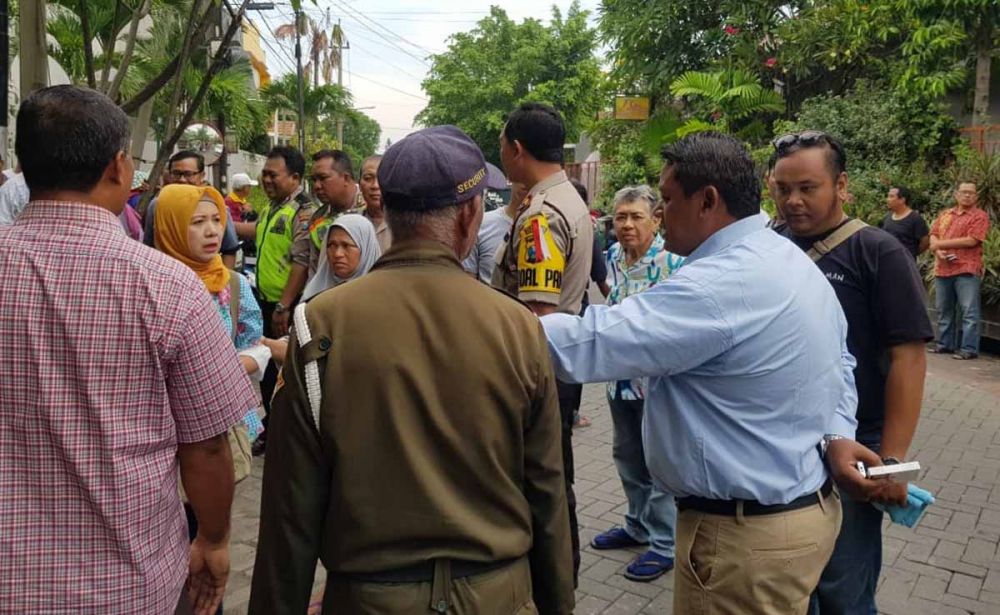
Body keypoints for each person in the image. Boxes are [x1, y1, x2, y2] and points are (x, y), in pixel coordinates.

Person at [540, 131, 900, 615]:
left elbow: (590, 343)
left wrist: (472, 314)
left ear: (707, 200)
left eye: (667, 200)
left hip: (741, 541)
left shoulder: (720, 283)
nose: (659, 214)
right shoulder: (785, 258)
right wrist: (837, 432)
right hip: (795, 516)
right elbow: (843, 363)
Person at [249, 125, 574, 615]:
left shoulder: (319, 321)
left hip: (368, 598)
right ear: (469, 214)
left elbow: (289, 510)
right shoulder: (518, 327)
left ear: (392, 212)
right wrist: (558, 605)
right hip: (497, 594)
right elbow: (547, 491)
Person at [0, 85, 257, 615]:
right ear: (119, 167)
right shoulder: (168, 286)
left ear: (23, 165)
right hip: (126, 583)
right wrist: (212, 539)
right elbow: (207, 446)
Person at [770, 131, 932, 615]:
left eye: (808, 187)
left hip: (856, 445)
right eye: (782, 188)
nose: (793, 200)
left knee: (844, 584)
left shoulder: (879, 252)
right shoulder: (767, 246)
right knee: (789, 585)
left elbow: (909, 358)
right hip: (781, 446)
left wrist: (892, 459)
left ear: (841, 186)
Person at [152, 183, 271, 615]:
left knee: (209, 527)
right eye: (196, 222)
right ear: (166, 227)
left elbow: (256, 344)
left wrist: (242, 363)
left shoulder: (234, 286)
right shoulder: (154, 285)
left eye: (216, 220)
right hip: (161, 438)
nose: (210, 231)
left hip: (217, 432)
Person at [492, 103, 593, 584]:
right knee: (554, 479)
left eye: (502, 147)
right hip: (557, 366)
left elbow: (537, 316)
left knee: (544, 484)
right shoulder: (568, 199)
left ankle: (555, 580)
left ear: (517, 149)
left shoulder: (540, 215)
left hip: (539, 370)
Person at [587, 185, 684, 582]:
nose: (626, 225)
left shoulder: (675, 262)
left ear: (656, 219)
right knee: (627, 457)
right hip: (619, 381)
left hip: (658, 384)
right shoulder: (613, 257)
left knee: (658, 463)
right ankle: (637, 525)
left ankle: (664, 544)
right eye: (621, 217)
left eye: (636, 217)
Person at [251, 146, 317, 455]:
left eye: (272, 175)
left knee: (285, 373)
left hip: (285, 307)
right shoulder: (271, 208)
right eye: (264, 174)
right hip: (265, 301)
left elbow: (300, 263)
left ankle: (283, 432)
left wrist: (284, 306)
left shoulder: (303, 212)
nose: (266, 180)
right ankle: (270, 426)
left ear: (294, 178)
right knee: (266, 371)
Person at [265, 214, 382, 366]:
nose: (338, 254)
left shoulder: (378, 299)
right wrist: (270, 345)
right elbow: (299, 340)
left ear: (365, 248)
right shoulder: (315, 294)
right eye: (331, 245)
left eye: (346, 246)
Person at [143, 150, 241, 269]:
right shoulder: (157, 205)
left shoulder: (216, 207)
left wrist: (224, 282)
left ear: (202, 176)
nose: (182, 180)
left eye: (188, 174)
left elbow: (229, 250)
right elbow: (148, 247)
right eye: (176, 173)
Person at [929, 182, 990, 360]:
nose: (967, 195)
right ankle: (944, 345)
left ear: (976, 197)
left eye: (971, 193)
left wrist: (939, 244)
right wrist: (938, 251)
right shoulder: (946, 214)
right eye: (964, 192)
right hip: (943, 268)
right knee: (944, 309)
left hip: (967, 268)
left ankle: (969, 349)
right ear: (956, 195)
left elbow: (972, 240)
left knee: (969, 311)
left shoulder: (980, 216)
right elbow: (933, 233)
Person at [307, 150, 358, 276]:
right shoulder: (317, 219)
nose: (317, 186)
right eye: (314, 180)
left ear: (346, 178)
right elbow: (315, 269)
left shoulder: (373, 210)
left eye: (323, 178)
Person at [463, 181, 526, 283]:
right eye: (524, 173)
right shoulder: (482, 224)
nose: (527, 182)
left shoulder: (551, 226)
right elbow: (468, 282)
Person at [879, 185, 929, 258]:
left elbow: (925, 242)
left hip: (906, 264)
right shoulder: (887, 217)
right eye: (888, 196)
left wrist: (911, 254)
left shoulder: (915, 218)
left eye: (891, 196)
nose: (888, 199)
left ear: (902, 200)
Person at [359, 154, 393, 252]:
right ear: (359, 185)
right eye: (368, 178)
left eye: (382, 178)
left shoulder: (407, 225)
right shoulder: (350, 222)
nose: (375, 186)